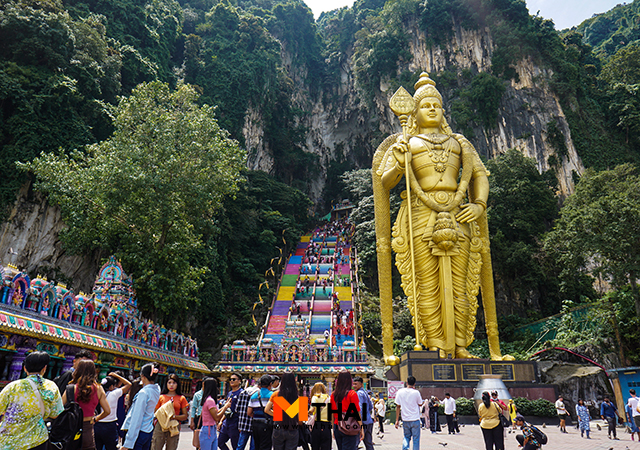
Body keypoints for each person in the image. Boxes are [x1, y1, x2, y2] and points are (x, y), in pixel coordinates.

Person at [373, 72, 510, 362]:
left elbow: (480, 176)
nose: (432, 109)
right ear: (415, 113)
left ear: (443, 110)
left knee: (461, 283)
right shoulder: (406, 143)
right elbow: (385, 182)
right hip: (421, 214)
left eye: (436, 104)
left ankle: (460, 345)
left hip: (459, 212)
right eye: (426, 105)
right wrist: (398, 164)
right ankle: (436, 345)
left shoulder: (459, 142)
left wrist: (480, 205)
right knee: (426, 283)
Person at [0, 351, 64, 450]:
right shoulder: (51, 386)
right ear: (44, 368)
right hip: (37, 441)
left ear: (25, 368)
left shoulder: (13, 387)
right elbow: (56, 414)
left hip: (9, 442)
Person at [62, 359, 111, 450]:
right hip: (88, 428)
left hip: (71, 428)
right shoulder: (99, 389)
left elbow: (59, 408)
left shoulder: (71, 388)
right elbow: (107, 411)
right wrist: (96, 418)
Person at [121, 363, 161, 450]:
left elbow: (137, 418)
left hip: (139, 432)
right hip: (148, 430)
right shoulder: (156, 390)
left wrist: (128, 442)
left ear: (143, 376)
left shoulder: (144, 393)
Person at [95, 372, 132, 450]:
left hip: (97, 424)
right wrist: (117, 376)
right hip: (110, 426)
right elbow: (129, 384)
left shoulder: (97, 394)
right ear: (111, 386)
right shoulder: (114, 393)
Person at [151, 374, 189, 450]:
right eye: (169, 382)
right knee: (156, 446)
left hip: (174, 425)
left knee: (172, 447)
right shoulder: (161, 397)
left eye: (174, 383)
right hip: (160, 425)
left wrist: (173, 417)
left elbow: (185, 416)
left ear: (177, 384)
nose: (171, 385)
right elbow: (155, 413)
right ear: (166, 384)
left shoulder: (181, 398)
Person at [265, 373, 301, 450]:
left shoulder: (276, 394)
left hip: (278, 427)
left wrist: (277, 415)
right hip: (292, 428)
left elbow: (266, 410)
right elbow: (301, 419)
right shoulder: (297, 396)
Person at [331, 370, 364, 450]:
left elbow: (332, 413)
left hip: (337, 426)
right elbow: (357, 413)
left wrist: (333, 428)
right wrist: (361, 428)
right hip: (350, 426)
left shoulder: (333, 395)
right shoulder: (352, 394)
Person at [201, 378, 232, 450]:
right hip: (208, 429)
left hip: (210, 428)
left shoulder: (209, 399)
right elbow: (217, 417)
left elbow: (216, 412)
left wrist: (225, 406)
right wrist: (226, 407)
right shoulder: (210, 400)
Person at [394, 376, 423, 450]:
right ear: (414, 384)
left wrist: (397, 420)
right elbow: (420, 404)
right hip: (415, 419)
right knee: (416, 439)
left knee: (406, 437)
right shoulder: (416, 392)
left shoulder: (400, 392)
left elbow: (398, 406)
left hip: (405, 419)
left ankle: (405, 448)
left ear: (406, 383)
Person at [248, 375, 275, 450]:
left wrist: (257, 415)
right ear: (270, 384)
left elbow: (249, 412)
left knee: (257, 445)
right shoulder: (272, 395)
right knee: (266, 446)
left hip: (255, 424)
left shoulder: (253, 395)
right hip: (267, 424)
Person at [219, 373, 243, 450]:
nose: (231, 381)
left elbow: (243, 411)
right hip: (227, 422)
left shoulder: (242, 393)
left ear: (239, 381)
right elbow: (227, 409)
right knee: (220, 442)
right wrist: (221, 421)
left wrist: (241, 425)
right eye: (230, 379)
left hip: (235, 423)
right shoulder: (229, 393)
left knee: (235, 446)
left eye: (234, 379)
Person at [309, 382, 332, 450]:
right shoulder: (329, 398)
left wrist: (307, 412)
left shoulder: (315, 397)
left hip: (317, 425)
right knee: (326, 446)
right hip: (327, 425)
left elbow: (312, 409)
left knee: (315, 446)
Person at [353, 377, 374, 450]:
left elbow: (360, 409)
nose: (354, 386)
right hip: (369, 421)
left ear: (361, 384)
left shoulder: (359, 394)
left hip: (363, 422)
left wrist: (359, 423)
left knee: (355, 444)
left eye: (356, 384)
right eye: (353, 384)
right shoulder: (365, 392)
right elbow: (371, 407)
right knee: (369, 444)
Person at [236, 382, 258, 450]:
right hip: (255, 424)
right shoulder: (258, 394)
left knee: (240, 446)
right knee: (253, 447)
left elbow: (237, 409)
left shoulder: (242, 393)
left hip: (243, 424)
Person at [190, 380, 204, 447]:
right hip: (199, 418)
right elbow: (194, 408)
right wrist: (192, 421)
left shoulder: (210, 395)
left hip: (208, 419)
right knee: (198, 439)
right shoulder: (197, 394)